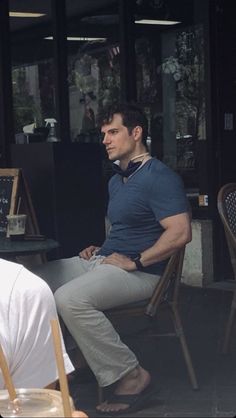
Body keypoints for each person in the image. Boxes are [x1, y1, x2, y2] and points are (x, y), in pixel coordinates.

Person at [34, 103, 191, 415]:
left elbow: (180, 232)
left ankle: (132, 376)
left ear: (136, 133)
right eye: (103, 133)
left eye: (113, 132)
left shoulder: (159, 177)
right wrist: (102, 247)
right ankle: (74, 359)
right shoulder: (116, 180)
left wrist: (136, 260)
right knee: (31, 282)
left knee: (70, 299)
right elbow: (127, 228)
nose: (105, 139)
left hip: (145, 274)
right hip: (105, 261)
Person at [0, 257, 88, 418]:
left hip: (112, 264)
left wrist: (136, 262)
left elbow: (32, 409)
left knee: (70, 300)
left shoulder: (21, 291)